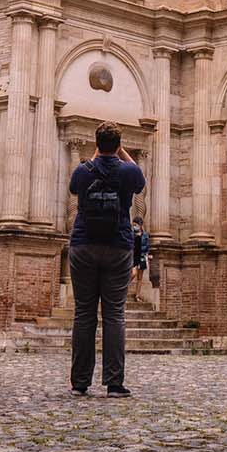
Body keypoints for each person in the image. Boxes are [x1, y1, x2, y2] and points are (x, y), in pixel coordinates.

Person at [67, 121, 145, 397]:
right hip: (118, 246)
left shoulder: (83, 170)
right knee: (114, 315)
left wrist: (97, 154)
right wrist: (121, 152)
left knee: (84, 314)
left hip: (83, 245)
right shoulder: (128, 171)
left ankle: (79, 383)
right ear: (119, 144)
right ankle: (114, 383)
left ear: (97, 143)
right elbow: (140, 179)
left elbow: (74, 189)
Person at [131, 216, 150, 302]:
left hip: (142, 257)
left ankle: (137, 296)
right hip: (134, 256)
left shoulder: (145, 235)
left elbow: (147, 246)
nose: (134, 226)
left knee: (140, 278)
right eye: (133, 224)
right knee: (133, 273)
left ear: (140, 225)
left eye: (135, 224)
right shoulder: (131, 234)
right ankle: (122, 289)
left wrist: (147, 255)